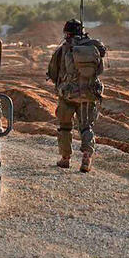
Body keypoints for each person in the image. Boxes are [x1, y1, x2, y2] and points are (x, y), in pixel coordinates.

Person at [47, 19, 107, 172]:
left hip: (67, 95)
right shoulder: (93, 47)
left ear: (67, 33)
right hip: (88, 94)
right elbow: (99, 70)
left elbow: (53, 72)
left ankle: (65, 158)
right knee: (86, 126)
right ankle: (86, 157)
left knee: (65, 126)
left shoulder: (64, 49)